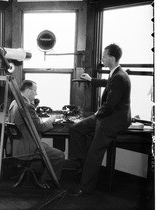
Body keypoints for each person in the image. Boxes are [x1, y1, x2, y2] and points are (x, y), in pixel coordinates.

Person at [68, 43, 131, 196]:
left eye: (104, 56)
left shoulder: (120, 77)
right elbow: (108, 84)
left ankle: (85, 189)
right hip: (107, 115)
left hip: (113, 119)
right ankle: (80, 164)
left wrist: (97, 115)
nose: (102, 58)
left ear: (113, 58)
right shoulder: (116, 73)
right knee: (76, 129)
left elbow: (109, 105)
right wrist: (91, 79)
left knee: (93, 153)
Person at [7, 80, 65, 188]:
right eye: (35, 91)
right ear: (28, 91)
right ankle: (45, 180)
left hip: (16, 146)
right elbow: (41, 127)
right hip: (28, 147)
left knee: (47, 150)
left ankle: (36, 175)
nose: (36, 94)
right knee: (59, 155)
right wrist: (52, 119)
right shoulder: (27, 106)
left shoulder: (14, 103)